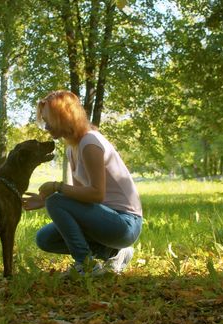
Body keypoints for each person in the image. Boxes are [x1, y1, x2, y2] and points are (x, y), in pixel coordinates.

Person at [23, 90, 143, 276]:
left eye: (49, 121)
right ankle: (113, 253)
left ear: (64, 117)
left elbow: (97, 194)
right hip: (105, 220)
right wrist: (44, 200)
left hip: (125, 223)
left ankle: (86, 266)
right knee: (44, 239)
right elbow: (81, 199)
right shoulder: (73, 148)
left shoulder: (90, 143)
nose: (45, 127)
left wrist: (56, 188)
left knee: (56, 200)